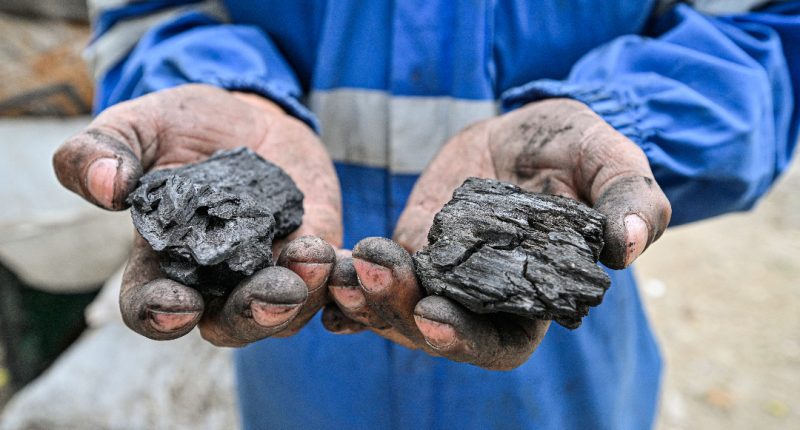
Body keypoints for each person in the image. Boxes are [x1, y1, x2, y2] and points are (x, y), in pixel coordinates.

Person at [53, 1, 799, 428]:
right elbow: (151, 14)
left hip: (555, 356)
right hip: (303, 305)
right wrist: (210, 85)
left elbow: (771, 32)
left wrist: (624, 121)